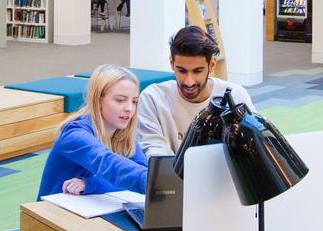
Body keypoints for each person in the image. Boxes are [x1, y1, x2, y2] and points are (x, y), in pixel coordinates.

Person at [136, 26, 255, 156]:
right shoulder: (152, 99)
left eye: (197, 71)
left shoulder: (236, 96)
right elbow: (155, 155)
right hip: (172, 176)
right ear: (171, 62)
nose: (189, 81)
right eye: (181, 70)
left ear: (212, 65)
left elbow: (252, 147)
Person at [36, 64, 149, 200]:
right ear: (98, 100)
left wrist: (92, 184)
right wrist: (155, 183)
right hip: (52, 213)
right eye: (120, 100)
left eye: (135, 101)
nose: (130, 108)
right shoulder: (74, 135)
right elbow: (107, 163)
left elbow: (143, 171)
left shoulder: (123, 136)